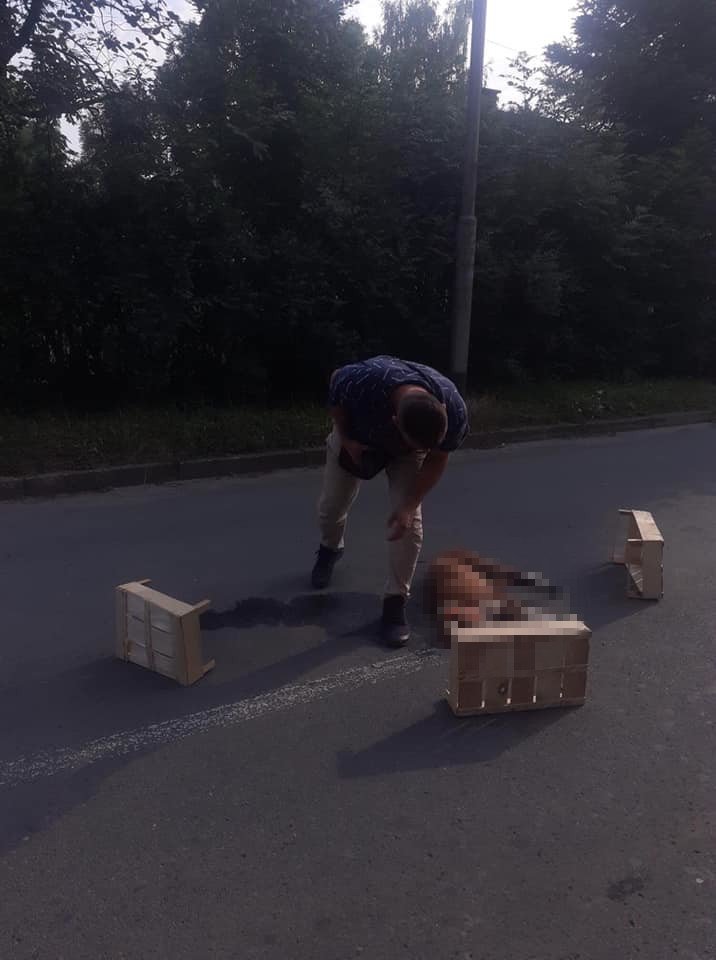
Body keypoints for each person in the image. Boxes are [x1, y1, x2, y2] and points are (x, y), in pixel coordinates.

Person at [311, 355, 469, 647]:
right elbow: (335, 385)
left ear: (443, 409)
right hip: (358, 437)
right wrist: (346, 439)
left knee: (408, 524)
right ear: (395, 421)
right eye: (419, 444)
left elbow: (437, 459)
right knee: (331, 508)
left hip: (406, 455)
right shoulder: (363, 380)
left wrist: (407, 506)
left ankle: (395, 603)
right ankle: (330, 548)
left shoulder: (454, 407)